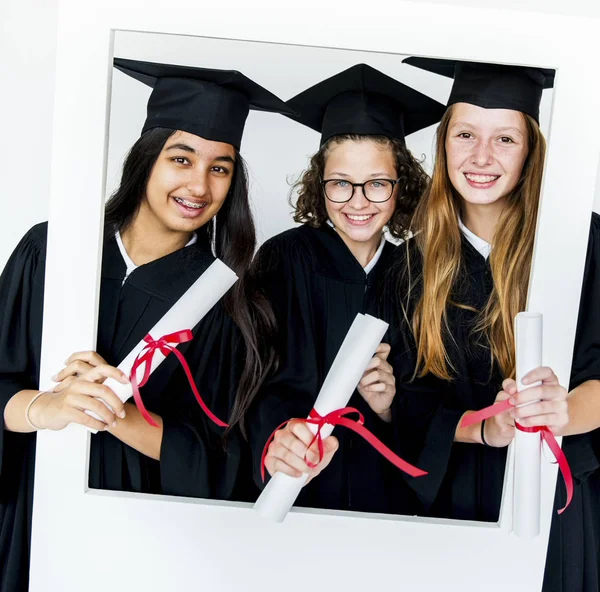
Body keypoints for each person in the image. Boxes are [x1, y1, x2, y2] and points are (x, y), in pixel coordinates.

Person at [0, 57, 294, 592]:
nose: (199, 185)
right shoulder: (54, 249)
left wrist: (115, 415)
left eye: (220, 167)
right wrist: (49, 407)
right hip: (32, 511)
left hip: (144, 539)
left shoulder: (226, 302)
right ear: (146, 159)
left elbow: (224, 461)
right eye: (180, 158)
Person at [387, 57, 600, 591]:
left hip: (558, 498)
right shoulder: (410, 265)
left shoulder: (581, 244)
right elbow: (408, 402)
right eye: (465, 134)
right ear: (442, 144)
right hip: (454, 501)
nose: (481, 157)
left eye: (505, 139)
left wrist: (559, 411)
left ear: (530, 151)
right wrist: (485, 427)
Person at [248, 63, 445, 514]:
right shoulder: (284, 258)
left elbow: (436, 397)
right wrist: (276, 438)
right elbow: (252, 377)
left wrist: (390, 406)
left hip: (385, 497)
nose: (358, 202)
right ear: (321, 185)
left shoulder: (415, 273)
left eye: (377, 184)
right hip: (298, 483)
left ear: (402, 187)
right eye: (341, 184)